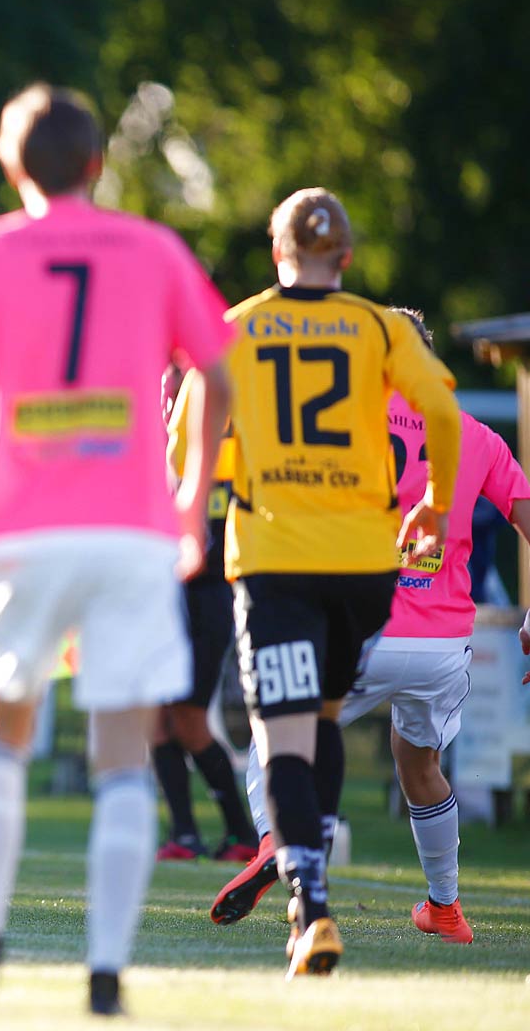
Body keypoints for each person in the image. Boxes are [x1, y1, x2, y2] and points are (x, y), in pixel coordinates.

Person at [0, 83, 233, 1016]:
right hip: (132, 527)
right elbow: (214, 370)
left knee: (3, 732)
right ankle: (107, 974)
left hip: (23, 525)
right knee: (124, 749)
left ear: (11, 166)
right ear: (96, 164)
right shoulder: (155, 248)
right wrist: (192, 503)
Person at [212, 307, 530, 945]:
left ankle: (279, 843)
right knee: (421, 765)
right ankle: (444, 907)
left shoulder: (338, 420)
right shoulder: (471, 433)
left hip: (362, 627)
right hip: (441, 644)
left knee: (278, 732)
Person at [212, 191, 461, 979]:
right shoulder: (380, 327)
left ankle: (312, 906)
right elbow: (443, 414)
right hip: (363, 563)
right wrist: (434, 502)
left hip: (277, 551)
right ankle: (305, 900)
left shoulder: (239, 325)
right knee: (321, 723)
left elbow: (192, 424)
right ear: (346, 258)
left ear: (275, 250)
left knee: (282, 733)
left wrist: (199, 499)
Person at [155, 365, 262, 863]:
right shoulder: (152, 448)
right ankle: (186, 835)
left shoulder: (225, 443)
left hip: (208, 597)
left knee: (191, 720)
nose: (171, 397)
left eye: (177, 387)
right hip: (160, 600)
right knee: (157, 721)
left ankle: (242, 832)